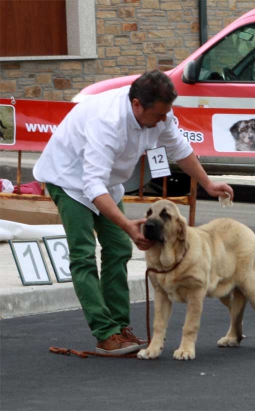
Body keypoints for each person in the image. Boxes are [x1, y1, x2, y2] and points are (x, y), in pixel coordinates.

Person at [33, 70, 234, 354]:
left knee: (118, 251)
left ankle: (119, 327)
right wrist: (127, 224)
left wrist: (208, 183)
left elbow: (179, 147)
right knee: (83, 255)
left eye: (167, 114)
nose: (164, 120)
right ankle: (105, 333)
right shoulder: (107, 122)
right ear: (137, 105)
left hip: (107, 183)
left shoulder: (158, 112)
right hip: (69, 181)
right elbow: (92, 184)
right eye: (159, 115)